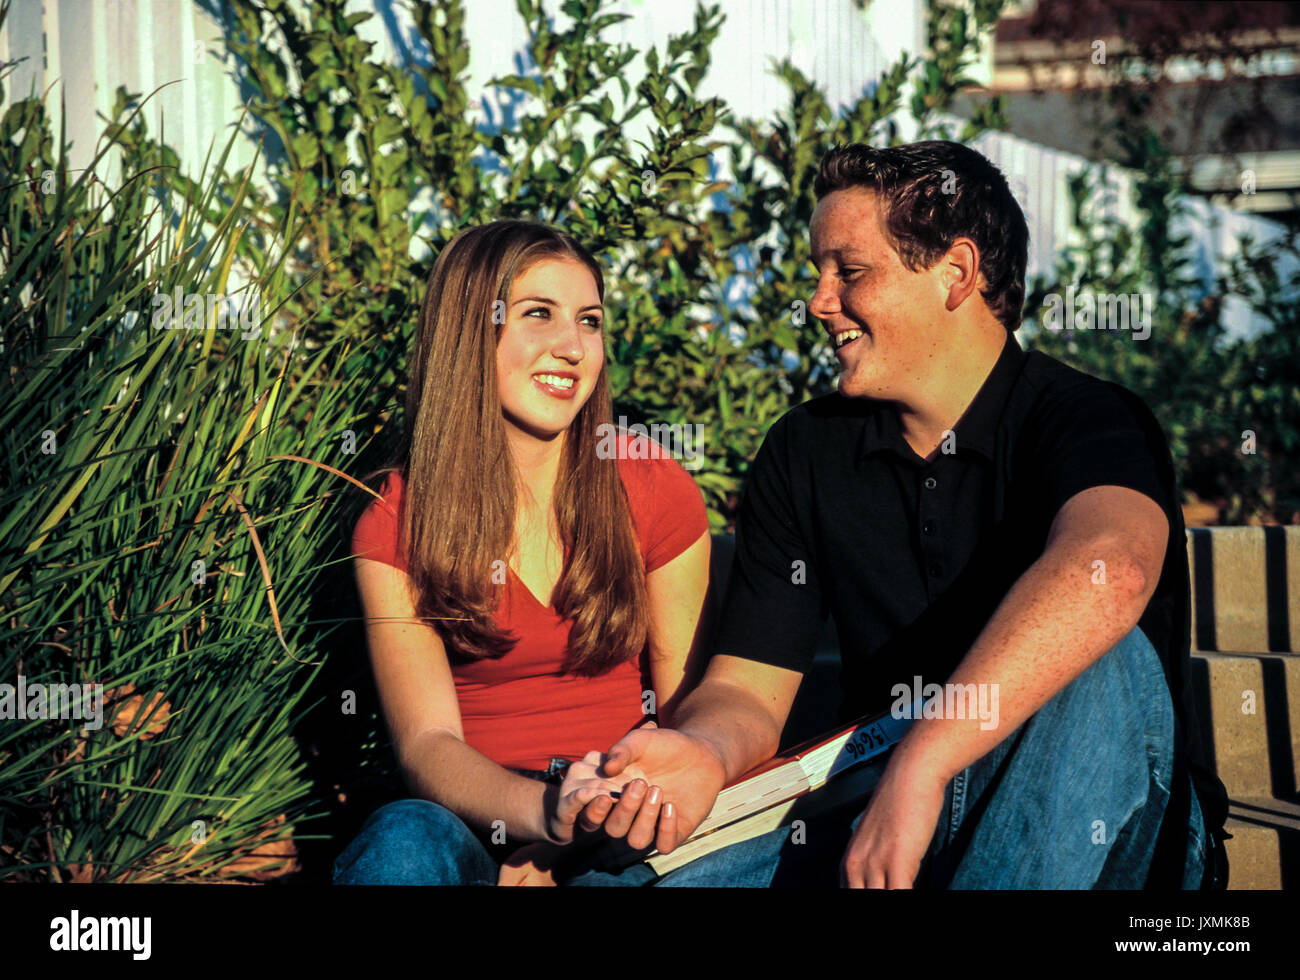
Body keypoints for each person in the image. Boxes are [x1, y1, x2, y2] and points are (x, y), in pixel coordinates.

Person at [578, 140, 1231, 889]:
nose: (820, 302)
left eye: (849, 272)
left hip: (1109, 824)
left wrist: (926, 760)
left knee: (1096, 663)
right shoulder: (806, 449)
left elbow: (1111, 569)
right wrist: (704, 750)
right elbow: (748, 690)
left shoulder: (1087, 419)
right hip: (878, 813)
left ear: (956, 273)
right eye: (819, 274)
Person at [332, 219, 711, 886]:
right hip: (477, 834)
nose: (573, 346)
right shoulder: (395, 521)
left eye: (590, 321)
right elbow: (427, 745)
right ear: (470, 332)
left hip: (626, 837)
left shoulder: (653, 489)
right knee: (401, 841)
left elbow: (685, 721)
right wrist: (543, 814)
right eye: (539, 314)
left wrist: (569, 840)